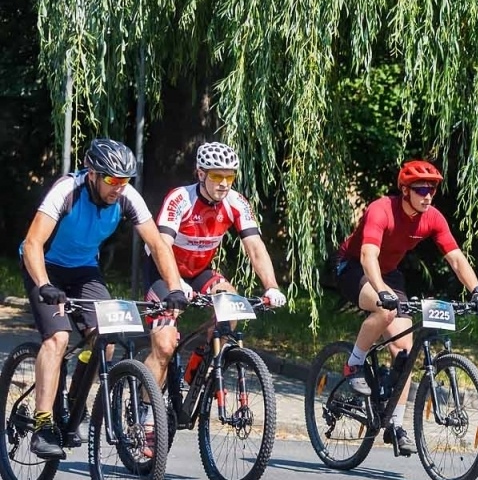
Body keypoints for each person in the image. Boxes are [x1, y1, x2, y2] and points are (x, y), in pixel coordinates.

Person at [16, 138, 188, 459]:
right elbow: (32, 243)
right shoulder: (67, 191)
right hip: (44, 266)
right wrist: (43, 284)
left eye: (124, 181)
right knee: (58, 338)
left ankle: (73, 402)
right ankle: (42, 425)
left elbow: (158, 244)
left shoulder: (126, 197)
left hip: (84, 271)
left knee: (105, 341)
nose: (118, 188)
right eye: (111, 180)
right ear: (92, 174)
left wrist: (174, 287)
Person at [332, 160, 478, 456]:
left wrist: (476, 290)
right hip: (353, 267)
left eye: (432, 189)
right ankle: (354, 363)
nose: (427, 195)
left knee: (405, 352)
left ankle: (396, 424)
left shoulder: (432, 217)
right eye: (420, 189)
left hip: (388, 273)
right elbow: (368, 255)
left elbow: (455, 257)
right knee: (384, 308)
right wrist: (381, 291)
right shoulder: (381, 209)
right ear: (405, 191)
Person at [143, 141, 288, 392]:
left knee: (231, 305)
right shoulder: (180, 198)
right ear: (201, 174)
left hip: (199, 270)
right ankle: (146, 412)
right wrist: (175, 284)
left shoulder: (236, 202)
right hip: (164, 272)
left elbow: (255, 246)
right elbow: (162, 245)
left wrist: (271, 287)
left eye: (230, 176)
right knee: (165, 346)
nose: (224, 182)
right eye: (217, 175)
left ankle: (195, 375)